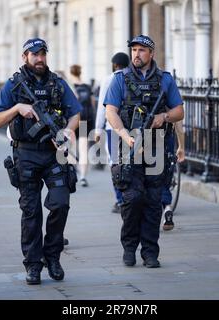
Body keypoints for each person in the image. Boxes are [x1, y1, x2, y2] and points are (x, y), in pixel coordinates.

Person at [0, 38, 81, 285]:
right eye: (35, 54)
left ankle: (52, 257)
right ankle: (33, 265)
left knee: (60, 203)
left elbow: (75, 113)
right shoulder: (13, 85)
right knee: (31, 212)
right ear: (25, 57)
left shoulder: (57, 83)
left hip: (54, 152)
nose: (40, 58)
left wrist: (69, 131)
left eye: (43, 54)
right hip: (26, 154)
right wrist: (18, 108)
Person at [104, 35, 184, 268]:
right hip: (128, 146)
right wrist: (124, 135)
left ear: (151, 54)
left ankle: (150, 252)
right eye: (134, 50)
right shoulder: (120, 79)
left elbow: (179, 111)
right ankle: (129, 247)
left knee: (152, 201)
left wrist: (163, 117)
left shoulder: (165, 80)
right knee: (132, 199)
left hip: (157, 147)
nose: (136, 54)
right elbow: (111, 111)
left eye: (141, 50)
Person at [95, 52, 130, 213]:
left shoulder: (109, 79)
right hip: (131, 128)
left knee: (114, 163)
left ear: (114, 65)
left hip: (112, 128)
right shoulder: (133, 77)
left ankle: (120, 199)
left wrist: (97, 129)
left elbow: (103, 107)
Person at [69, 64, 95, 187]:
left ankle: (74, 172)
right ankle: (83, 177)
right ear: (80, 72)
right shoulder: (87, 86)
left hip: (73, 121)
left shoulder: (70, 87)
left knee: (72, 149)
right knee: (84, 150)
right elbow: (92, 105)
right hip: (85, 120)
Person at [161, 122, 185, 231]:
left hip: (143, 138)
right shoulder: (169, 104)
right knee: (165, 172)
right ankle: (167, 207)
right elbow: (178, 123)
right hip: (166, 136)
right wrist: (181, 146)